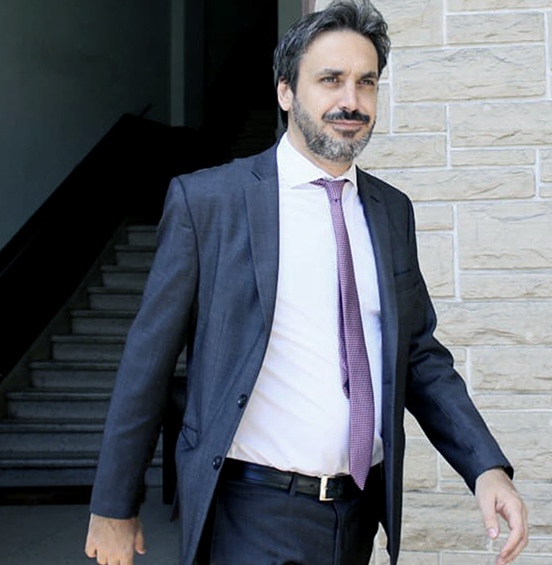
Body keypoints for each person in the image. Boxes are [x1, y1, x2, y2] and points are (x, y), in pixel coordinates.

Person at [84, 1, 528, 564]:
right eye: (330, 80)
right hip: (253, 513)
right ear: (286, 92)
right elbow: (147, 360)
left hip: (357, 515)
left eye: (366, 83)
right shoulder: (210, 203)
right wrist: (114, 505)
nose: (351, 101)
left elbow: (419, 356)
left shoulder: (391, 211)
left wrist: (485, 467)